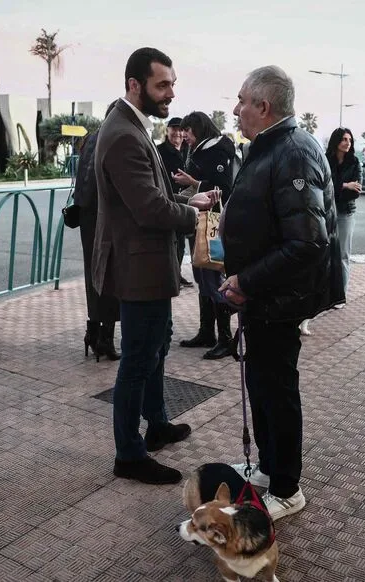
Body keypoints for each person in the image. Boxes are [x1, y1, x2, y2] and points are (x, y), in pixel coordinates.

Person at [219, 65, 343, 519]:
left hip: (279, 300)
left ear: (263, 106)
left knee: (277, 390)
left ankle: (287, 487)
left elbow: (308, 241)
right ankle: (269, 468)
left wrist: (246, 280)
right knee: (262, 385)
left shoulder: (292, 152)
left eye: (242, 100)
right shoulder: (270, 146)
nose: (235, 109)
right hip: (263, 299)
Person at [93, 47, 218, 485]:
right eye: (162, 85)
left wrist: (188, 199)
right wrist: (195, 214)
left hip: (146, 265)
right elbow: (147, 209)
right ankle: (128, 453)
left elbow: (150, 199)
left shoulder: (131, 126)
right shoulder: (124, 134)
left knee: (156, 346)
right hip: (138, 268)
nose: (170, 93)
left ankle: (158, 423)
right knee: (139, 358)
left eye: (172, 84)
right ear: (134, 85)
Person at [174, 111, 237, 360]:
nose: (184, 135)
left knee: (212, 276)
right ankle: (206, 332)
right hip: (197, 220)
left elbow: (224, 187)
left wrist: (195, 182)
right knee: (202, 275)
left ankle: (225, 338)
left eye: (187, 130)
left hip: (213, 222)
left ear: (198, 129)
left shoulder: (218, 150)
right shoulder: (199, 150)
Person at [73, 100, 121, 361]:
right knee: (110, 278)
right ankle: (105, 338)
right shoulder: (114, 138)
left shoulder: (91, 138)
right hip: (106, 218)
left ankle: (93, 332)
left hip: (87, 216)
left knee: (95, 276)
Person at [157, 116, 194, 288]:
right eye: (174, 129)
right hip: (169, 200)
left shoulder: (189, 150)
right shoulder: (159, 151)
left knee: (184, 243)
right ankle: (173, 276)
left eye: (181, 130)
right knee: (174, 241)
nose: (178, 133)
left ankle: (178, 274)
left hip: (190, 201)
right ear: (167, 130)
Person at [326, 127, 362, 298]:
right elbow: (324, 185)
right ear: (336, 141)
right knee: (325, 254)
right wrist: (345, 185)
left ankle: (341, 295)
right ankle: (326, 293)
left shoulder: (354, 162)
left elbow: (356, 192)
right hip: (326, 212)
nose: (348, 143)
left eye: (350, 140)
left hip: (345, 213)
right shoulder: (326, 160)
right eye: (344, 139)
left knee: (343, 256)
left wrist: (339, 187)